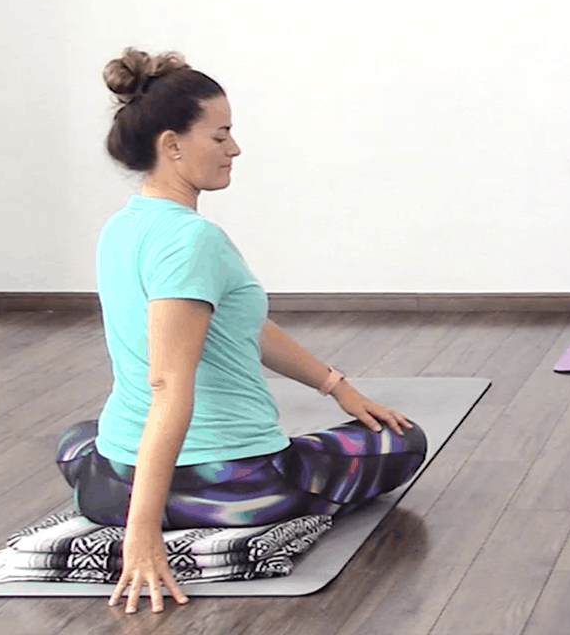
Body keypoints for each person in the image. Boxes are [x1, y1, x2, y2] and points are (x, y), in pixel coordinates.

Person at [60, 49, 427, 614]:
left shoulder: (120, 228)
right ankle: (176, 511)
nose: (234, 148)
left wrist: (337, 386)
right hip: (234, 486)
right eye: (221, 135)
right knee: (403, 441)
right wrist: (142, 534)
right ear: (172, 145)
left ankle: (145, 500)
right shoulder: (192, 240)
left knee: (76, 438)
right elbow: (168, 385)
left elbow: (241, 328)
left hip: (108, 484)